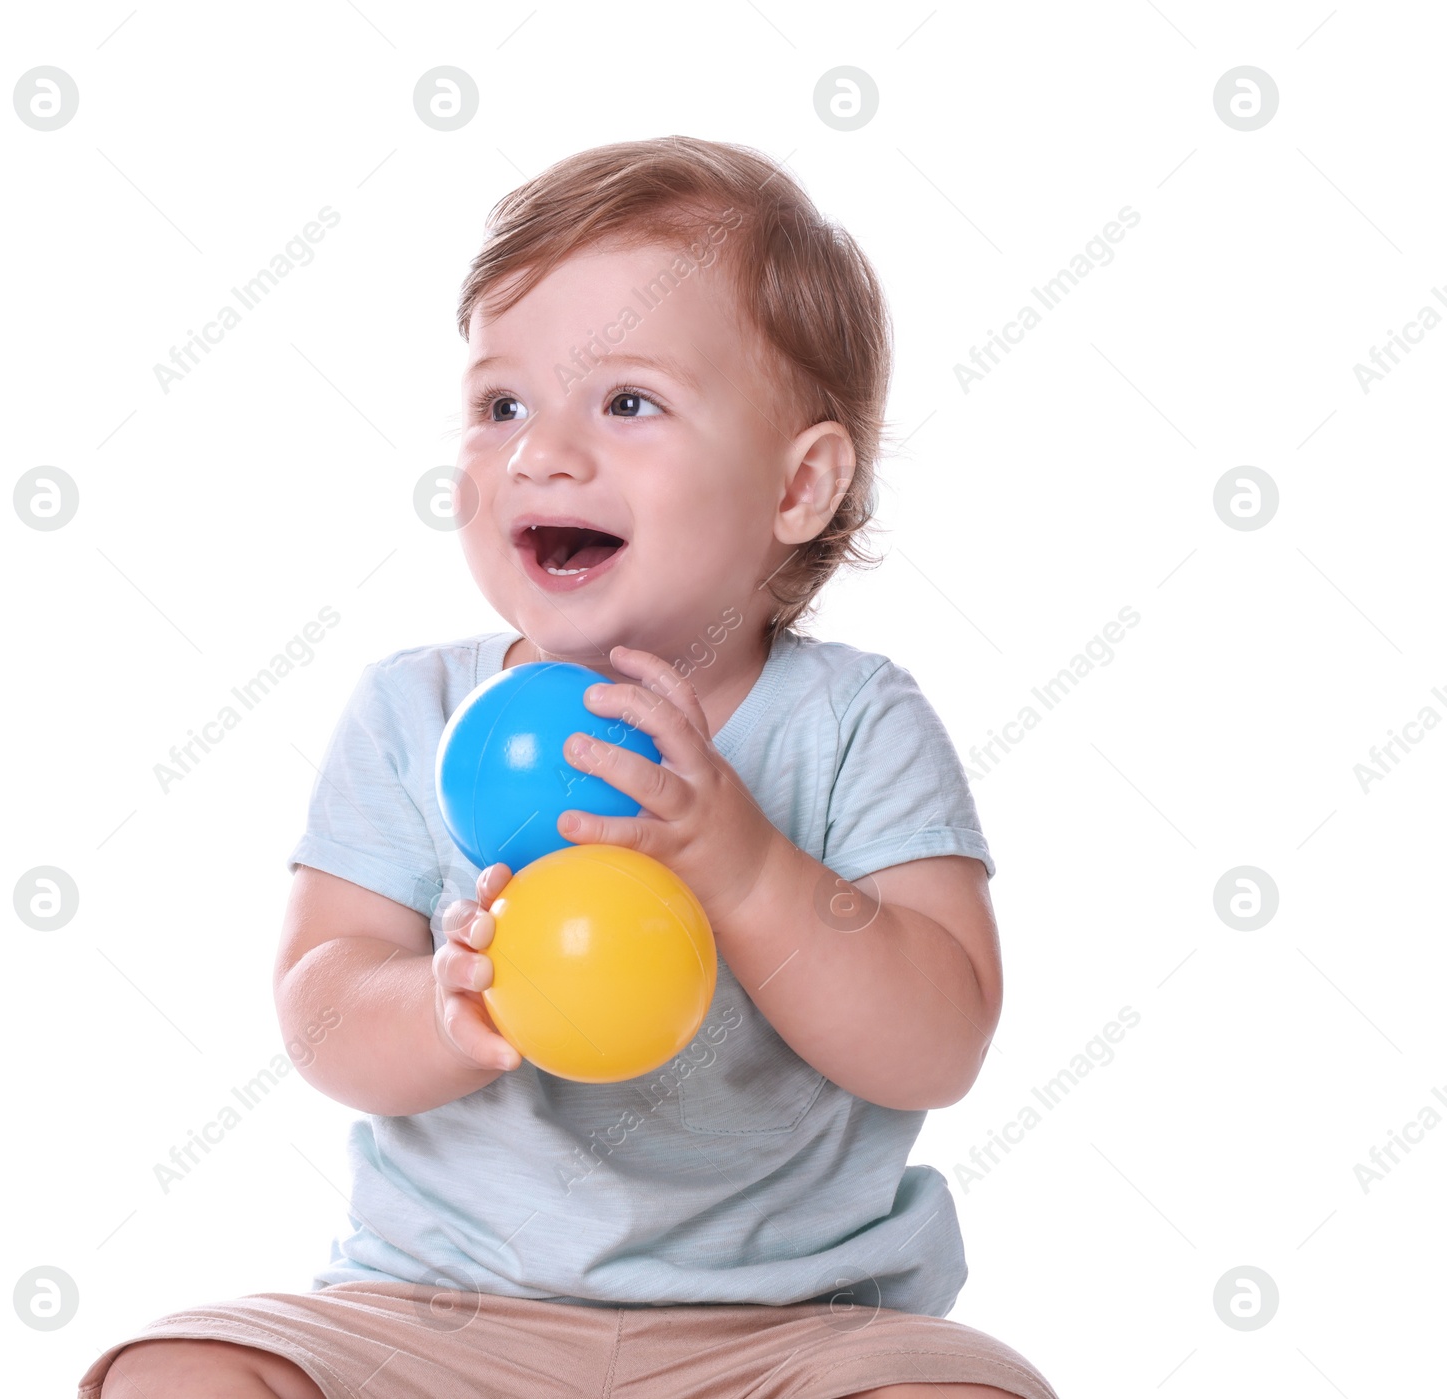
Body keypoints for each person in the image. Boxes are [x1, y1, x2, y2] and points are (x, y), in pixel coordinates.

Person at [80, 135, 1058, 1399]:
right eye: (501, 405)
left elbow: (938, 1040)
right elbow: (318, 1006)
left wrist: (743, 864)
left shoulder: (855, 720)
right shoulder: (412, 709)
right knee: (179, 1369)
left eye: (628, 402)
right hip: (437, 1318)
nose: (540, 453)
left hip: (787, 1334)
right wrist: (440, 1008)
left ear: (800, 485)